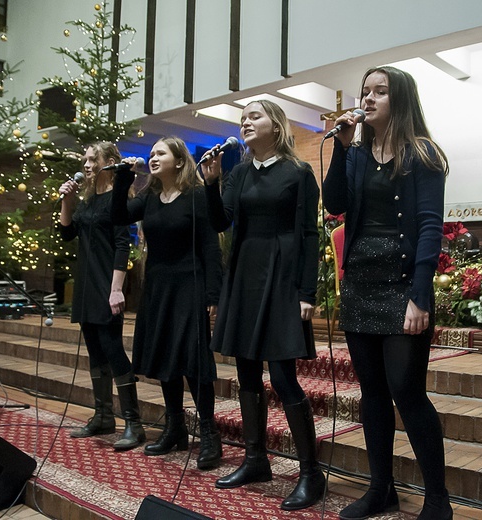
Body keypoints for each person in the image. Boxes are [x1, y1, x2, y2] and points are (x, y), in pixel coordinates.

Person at [323, 66, 453, 520]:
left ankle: (438, 500)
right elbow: (334, 203)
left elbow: (430, 228)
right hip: (360, 284)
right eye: (366, 91)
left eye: (380, 91)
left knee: (406, 390)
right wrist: (341, 147)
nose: (370, 98)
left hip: (402, 288)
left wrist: (420, 295)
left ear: (399, 99)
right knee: (372, 393)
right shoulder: (355, 154)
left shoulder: (422, 153)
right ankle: (382, 490)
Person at [200, 99, 324, 511]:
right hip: (245, 275)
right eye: (243, 118)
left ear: (277, 124)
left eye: (254, 116)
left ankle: (311, 474)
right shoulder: (237, 172)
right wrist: (211, 185)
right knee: (247, 371)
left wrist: (308, 292)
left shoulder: (299, 172)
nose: (246, 122)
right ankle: (256, 461)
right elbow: (221, 222)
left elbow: (309, 236)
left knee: (284, 377)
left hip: (283, 277)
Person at [110, 137, 223, 470]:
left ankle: (209, 433)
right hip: (158, 287)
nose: (153, 157)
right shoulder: (149, 197)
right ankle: (175, 428)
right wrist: (123, 179)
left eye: (160, 153)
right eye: (152, 153)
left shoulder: (197, 196)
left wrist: (213, 294)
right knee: (165, 359)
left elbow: (210, 248)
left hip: (190, 285)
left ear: (178, 160)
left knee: (194, 362)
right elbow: (118, 216)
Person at [58, 142, 145, 451]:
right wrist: (67, 201)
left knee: (112, 349)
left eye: (93, 159)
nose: (87, 164)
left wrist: (116, 288)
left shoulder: (116, 200)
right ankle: (103, 416)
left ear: (109, 163)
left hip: (106, 285)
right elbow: (67, 233)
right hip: (85, 285)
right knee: (95, 351)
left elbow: (124, 245)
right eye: (85, 159)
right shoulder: (87, 201)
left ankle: (134, 424)